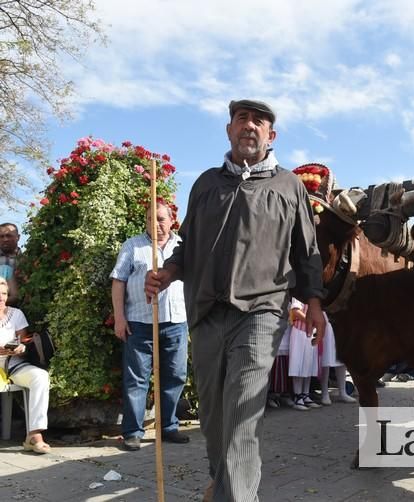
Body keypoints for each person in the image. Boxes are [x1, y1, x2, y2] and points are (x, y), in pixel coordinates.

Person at [145, 99, 325, 502]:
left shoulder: (288, 186)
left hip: (261, 311)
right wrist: (167, 273)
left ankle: (234, 496)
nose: (249, 126)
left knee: (242, 412)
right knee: (212, 414)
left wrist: (313, 302)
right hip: (207, 309)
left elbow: (306, 251)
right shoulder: (206, 184)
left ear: (271, 136)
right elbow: (187, 244)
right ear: (229, 130)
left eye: (258, 121)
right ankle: (221, 481)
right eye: (242, 119)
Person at [110, 201, 189, 451]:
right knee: (137, 379)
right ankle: (133, 431)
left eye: (161, 218)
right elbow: (118, 281)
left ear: (171, 220)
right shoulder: (132, 245)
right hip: (140, 323)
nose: (156, 224)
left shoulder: (182, 247)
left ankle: (168, 427)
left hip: (176, 321)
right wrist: (120, 318)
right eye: (150, 219)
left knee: (175, 376)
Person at [0, 278, 51, 453]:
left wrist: (21, 347)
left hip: (13, 364)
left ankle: (34, 435)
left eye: (4, 293)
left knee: (40, 377)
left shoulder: (16, 314)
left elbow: (24, 340)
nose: (1, 297)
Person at [0, 223, 21, 306]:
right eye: (1, 236)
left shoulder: (27, 260)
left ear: (18, 237)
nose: (5, 239)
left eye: (9, 236)